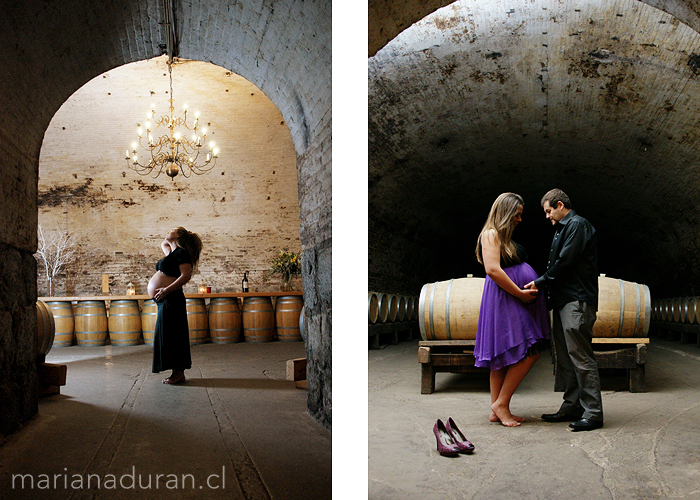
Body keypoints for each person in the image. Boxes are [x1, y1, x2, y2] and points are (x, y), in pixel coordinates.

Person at [524, 189, 603, 431]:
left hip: (576, 300)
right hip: (563, 301)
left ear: (560, 205)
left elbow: (566, 261)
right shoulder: (563, 228)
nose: (547, 216)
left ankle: (593, 413)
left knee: (580, 355)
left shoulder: (577, 224)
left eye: (549, 211)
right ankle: (572, 405)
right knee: (565, 356)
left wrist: (539, 282)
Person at [474, 193, 551, 427]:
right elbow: (492, 270)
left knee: (502, 356)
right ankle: (501, 404)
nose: (519, 219)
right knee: (531, 349)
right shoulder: (490, 234)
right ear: (506, 213)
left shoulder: (503, 238)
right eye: (516, 214)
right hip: (505, 298)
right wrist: (519, 293)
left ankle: (497, 408)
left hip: (509, 298)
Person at [147, 227, 202, 385]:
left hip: (172, 298)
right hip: (165, 299)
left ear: (178, 235)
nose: (167, 231)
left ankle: (178, 374)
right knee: (167, 335)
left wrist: (166, 290)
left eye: (172, 230)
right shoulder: (173, 254)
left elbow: (186, 275)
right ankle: (176, 373)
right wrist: (172, 239)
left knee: (174, 335)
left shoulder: (182, 253)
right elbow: (164, 244)